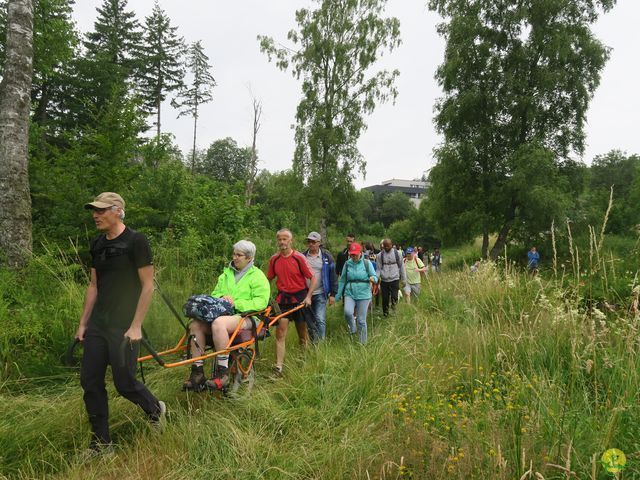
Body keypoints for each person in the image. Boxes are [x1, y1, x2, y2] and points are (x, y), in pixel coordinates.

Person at [76, 192, 165, 457]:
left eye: (101, 210)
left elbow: (148, 286)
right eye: (94, 210)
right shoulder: (97, 243)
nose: (95, 215)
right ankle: (101, 444)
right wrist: (83, 323)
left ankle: (155, 409)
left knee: (124, 383)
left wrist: (136, 325)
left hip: (125, 326)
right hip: (98, 325)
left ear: (117, 211)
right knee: (90, 381)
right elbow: (94, 285)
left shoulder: (136, 241)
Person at [182, 240, 270, 391]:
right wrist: (222, 297)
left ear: (249, 258)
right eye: (234, 254)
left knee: (219, 323)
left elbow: (261, 302)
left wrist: (236, 303)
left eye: (239, 255)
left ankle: (222, 374)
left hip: (247, 317)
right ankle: (197, 372)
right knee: (195, 324)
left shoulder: (258, 276)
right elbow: (215, 294)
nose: (234, 257)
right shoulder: (226, 273)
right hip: (223, 314)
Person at [267, 229, 317, 376]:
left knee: (302, 334)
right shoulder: (274, 259)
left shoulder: (299, 258)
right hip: (282, 300)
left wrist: (308, 297)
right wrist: (264, 296)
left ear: (291, 241)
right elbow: (268, 279)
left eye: (285, 239)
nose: (282, 242)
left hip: (300, 299)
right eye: (280, 239)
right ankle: (278, 367)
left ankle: (303, 360)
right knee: (280, 333)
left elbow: (313, 278)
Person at [335, 242, 378, 344]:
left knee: (361, 320)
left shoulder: (367, 263)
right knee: (348, 312)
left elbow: (375, 277)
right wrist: (337, 295)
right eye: (351, 254)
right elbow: (342, 280)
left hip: (364, 294)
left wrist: (373, 279)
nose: (353, 256)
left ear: (360, 253)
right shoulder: (347, 264)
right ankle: (352, 328)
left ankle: (363, 343)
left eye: (355, 254)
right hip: (350, 292)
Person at [302, 231, 337, 343]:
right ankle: (314, 342)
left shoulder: (326, 257)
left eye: (313, 242)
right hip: (306, 294)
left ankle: (321, 343)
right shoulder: (302, 256)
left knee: (320, 318)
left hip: (321, 292)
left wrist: (333, 294)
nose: (311, 244)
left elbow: (333, 275)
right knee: (309, 320)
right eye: (309, 241)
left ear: (319, 243)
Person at [376, 239, 407, 317]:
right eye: (384, 246)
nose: (386, 247)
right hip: (384, 280)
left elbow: (402, 267)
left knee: (394, 297)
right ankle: (385, 314)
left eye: (388, 246)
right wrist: (376, 278)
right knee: (385, 298)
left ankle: (394, 311)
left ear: (391, 245)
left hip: (395, 278)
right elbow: (378, 269)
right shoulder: (380, 255)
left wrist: (404, 279)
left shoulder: (398, 254)